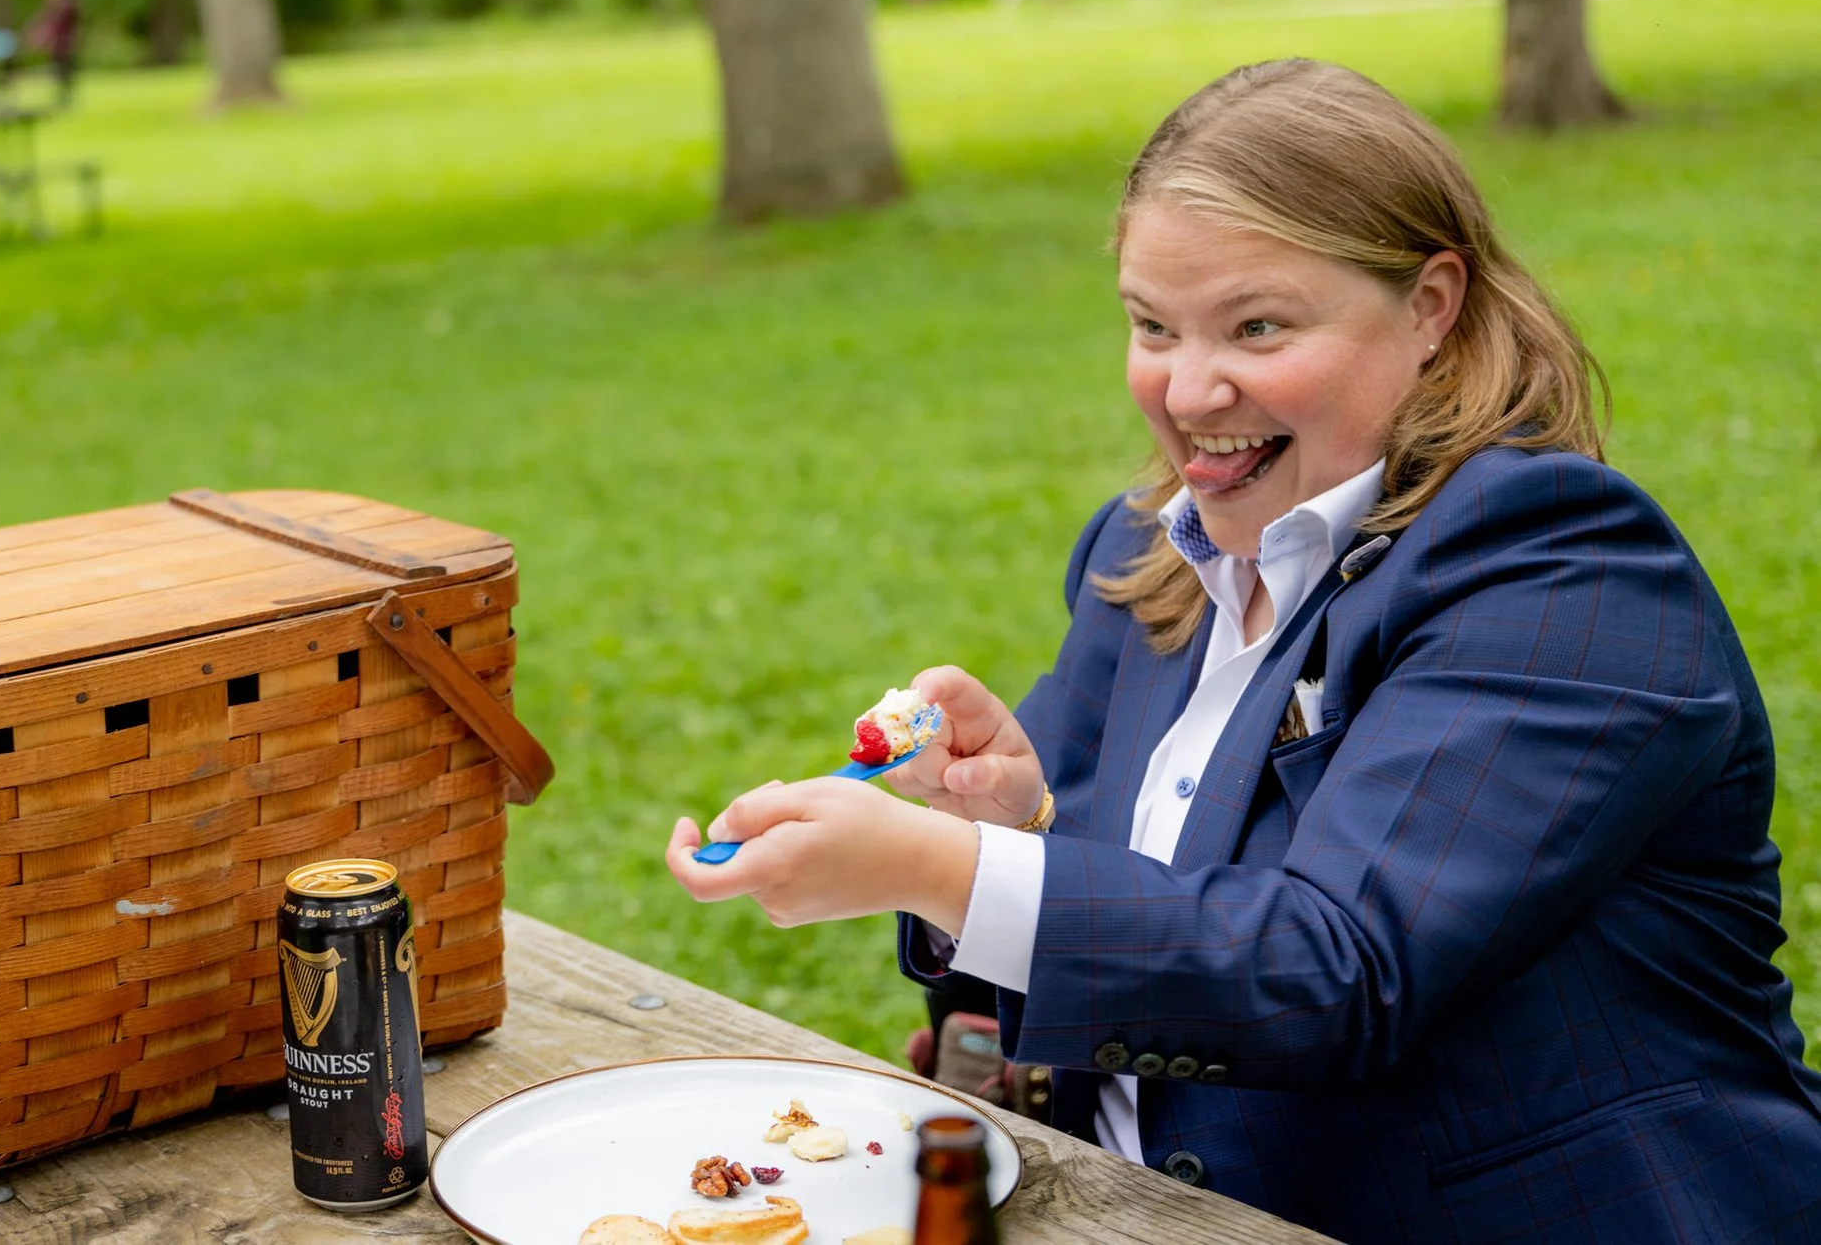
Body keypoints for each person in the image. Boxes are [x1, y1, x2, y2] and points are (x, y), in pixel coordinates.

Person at [666, 61, 1821, 1242]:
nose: (1186, 387)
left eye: (1257, 326)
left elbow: (1340, 970)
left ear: (1430, 305)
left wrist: (943, 869)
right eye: (1150, 325)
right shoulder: (1147, 555)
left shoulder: (1561, 569)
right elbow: (1113, 938)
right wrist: (1010, 832)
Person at [28, 0, 82, 109]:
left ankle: (66, 98)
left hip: (66, 44)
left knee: (65, 72)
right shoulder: (56, 6)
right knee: (59, 72)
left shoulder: (68, 4)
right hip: (58, 45)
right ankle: (62, 98)